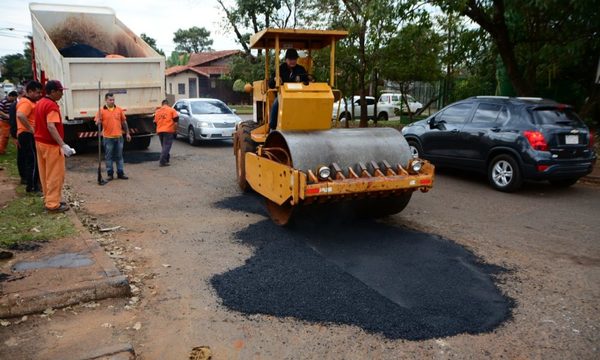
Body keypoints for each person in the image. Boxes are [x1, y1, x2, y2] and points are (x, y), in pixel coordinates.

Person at [34, 80, 75, 213]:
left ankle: (50, 199)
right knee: (55, 175)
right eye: (60, 91)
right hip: (50, 145)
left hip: (40, 143)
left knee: (45, 173)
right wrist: (62, 145)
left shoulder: (40, 103)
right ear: (52, 92)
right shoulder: (51, 106)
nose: (62, 94)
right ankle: (52, 204)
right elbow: (51, 126)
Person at [268, 48, 308, 130]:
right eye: (290, 59)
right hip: (282, 95)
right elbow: (270, 84)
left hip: (299, 96)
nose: (293, 61)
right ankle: (272, 127)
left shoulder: (301, 69)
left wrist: (304, 79)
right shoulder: (280, 69)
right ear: (286, 59)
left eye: (294, 59)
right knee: (276, 103)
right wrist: (275, 79)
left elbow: (307, 81)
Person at [94, 92, 130, 180]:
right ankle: (110, 174)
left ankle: (120, 173)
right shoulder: (101, 111)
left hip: (119, 137)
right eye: (110, 100)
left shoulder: (119, 110)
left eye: (113, 99)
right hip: (108, 138)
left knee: (119, 156)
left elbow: (124, 122)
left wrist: (128, 133)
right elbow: (96, 122)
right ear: (106, 100)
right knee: (108, 157)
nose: (112, 101)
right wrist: (98, 122)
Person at [16, 81, 43, 193]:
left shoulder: (30, 102)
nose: (39, 95)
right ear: (30, 91)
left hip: (27, 134)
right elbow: (20, 115)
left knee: (33, 160)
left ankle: (33, 184)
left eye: (41, 92)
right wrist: (31, 129)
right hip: (26, 134)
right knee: (32, 161)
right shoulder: (26, 102)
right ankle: (31, 186)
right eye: (37, 92)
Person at [153, 99, 179, 167]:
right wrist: (175, 130)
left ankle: (166, 159)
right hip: (168, 130)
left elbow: (155, 122)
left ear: (162, 104)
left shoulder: (157, 111)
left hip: (160, 131)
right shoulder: (171, 110)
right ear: (168, 104)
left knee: (164, 146)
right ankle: (162, 161)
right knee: (167, 146)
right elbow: (176, 122)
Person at [0, 90, 18, 154]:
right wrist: (6, 115)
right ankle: (1, 150)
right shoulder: (3, 101)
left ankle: (3, 149)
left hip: (10, 121)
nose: (14, 100)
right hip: (4, 121)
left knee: (8, 136)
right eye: (14, 98)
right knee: (4, 136)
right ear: (10, 96)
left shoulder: (14, 101)